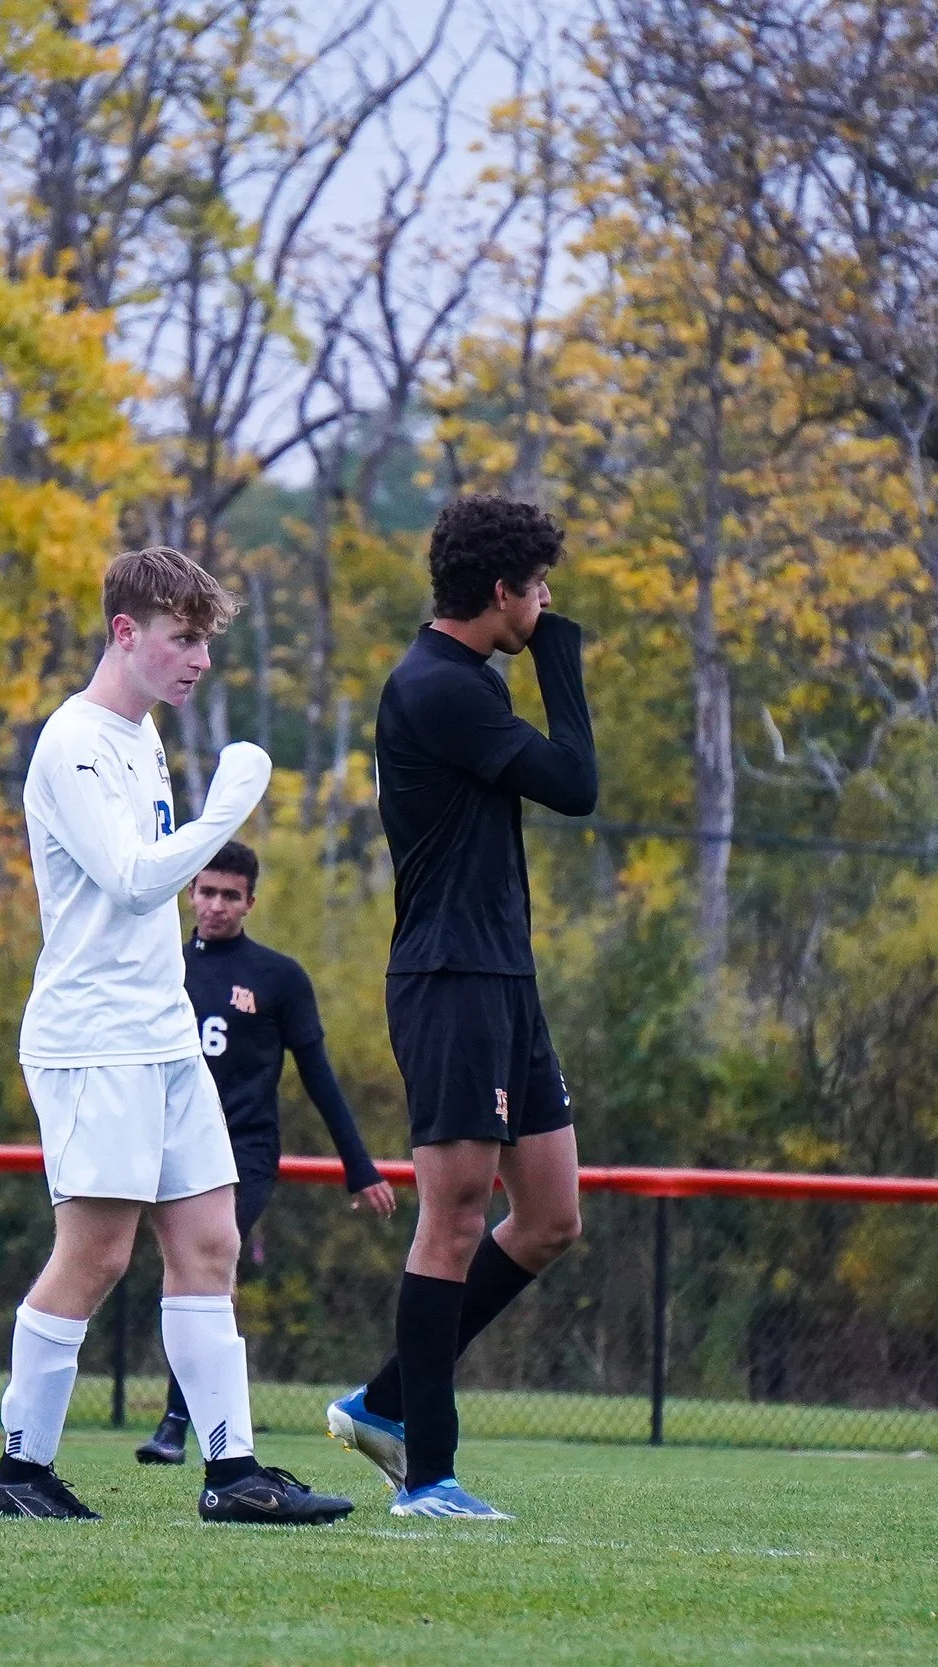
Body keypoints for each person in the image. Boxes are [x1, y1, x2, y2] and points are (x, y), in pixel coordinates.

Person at [0, 545, 356, 1527]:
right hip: (95, 1035)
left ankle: (231, 1469)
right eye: (182, 638)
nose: (197, 659)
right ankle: (21, 1468)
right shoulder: (74, 739)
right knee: (98, 1253)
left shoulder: (143, 734)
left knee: (209, 1239)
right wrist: (225, 811)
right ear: (125, 632)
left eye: (202, 641)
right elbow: (134, 878)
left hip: (161, 1032)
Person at [326, 495, 598, 1521]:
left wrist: (537, 642)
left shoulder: (470, 681)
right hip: (449, 979)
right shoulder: (437, 686)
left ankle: (386, 1400)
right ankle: (425, 1477)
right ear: (501, 592)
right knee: (451, 1218)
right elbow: (574, 780)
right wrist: (557, 650)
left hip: (503, 979)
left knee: (550, 1216)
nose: (547, 603)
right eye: (539, 589)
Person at [134, 840, 398, 1465]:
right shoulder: (161, 967)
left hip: (242, 1149)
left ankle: (177, 1421)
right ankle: (194, 1416)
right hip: (166, 1141)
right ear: (189, 894)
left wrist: (358, 1167)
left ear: (250, 902)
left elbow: (318, 1075)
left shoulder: (278, 978)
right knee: (181, 1272)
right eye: (207, 891)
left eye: (231, 895)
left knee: (208, 1259)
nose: (217, 905)